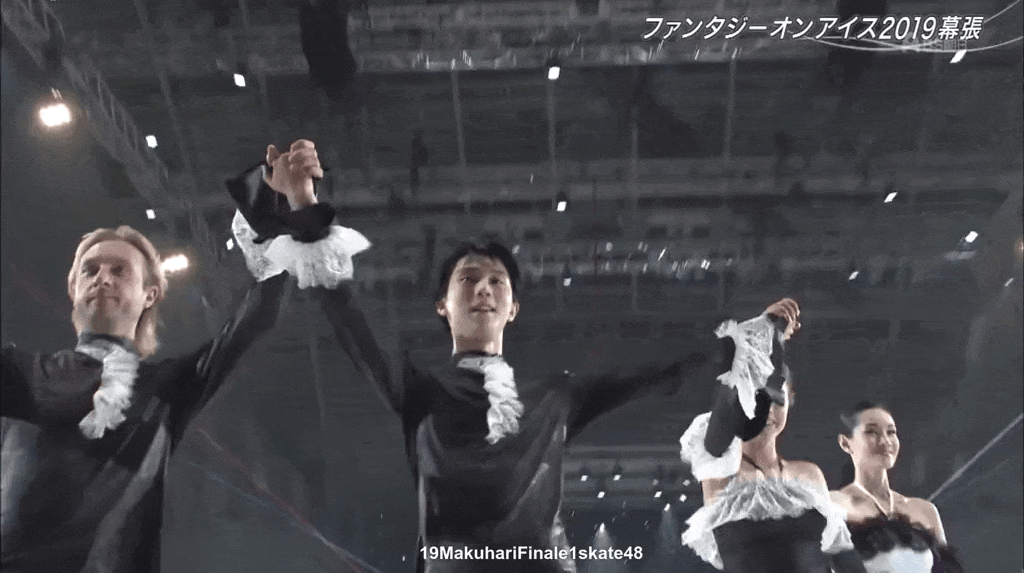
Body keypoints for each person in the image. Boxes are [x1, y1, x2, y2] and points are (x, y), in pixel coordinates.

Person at [226, 144, 798, 573]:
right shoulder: (416, 390)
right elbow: (346, 310)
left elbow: (664, 374)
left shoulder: (557, 397)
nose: (483, 287)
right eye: (468, 278)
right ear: (443, 306)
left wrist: (755, 334)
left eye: (497, 280)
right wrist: (303, 205)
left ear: (513, 308)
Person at [0, 140, 373, 573]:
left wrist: (275, 204)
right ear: (73, 289)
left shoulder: (167, 386)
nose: (103, 277)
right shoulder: (18, 372)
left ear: (149, 295)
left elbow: (258, 315)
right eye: (91, 269)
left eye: (119, 270)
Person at [677, 301, 867, 572]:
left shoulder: (809, 474)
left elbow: (843, 554)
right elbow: (728, 393)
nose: (768, 412)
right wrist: (765, 330)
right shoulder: (720, 468)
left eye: (778, 401)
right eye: (758, 399)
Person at [831, 402, 965, 573]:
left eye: (891, 432)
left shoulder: (924, 510)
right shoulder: (833, 505)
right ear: (845, 443)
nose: (885, 441)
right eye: (871, 432)